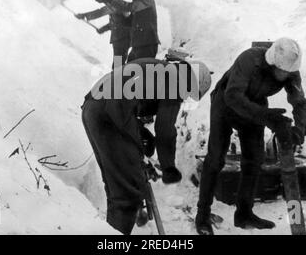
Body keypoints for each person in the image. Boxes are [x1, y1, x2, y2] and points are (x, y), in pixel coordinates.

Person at [195, 38, 306, 235]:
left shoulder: (291, 72)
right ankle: (202, 215)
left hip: (255, 105)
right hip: (225, 104)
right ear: (272, 62)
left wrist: (300, 130)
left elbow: (300, 102)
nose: (284, 76)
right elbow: (233, 96)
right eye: (281, 72)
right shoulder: (249, 59)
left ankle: (244, 213)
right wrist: (266, 116)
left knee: (254, 160)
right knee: (215, 159)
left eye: (288, 73)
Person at [81, 57, 212, 234]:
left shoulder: (158, 69)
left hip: (95, 110)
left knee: (117, 186)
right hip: (110, 116)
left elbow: (130, 105)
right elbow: (165, 130)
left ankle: (114, 229)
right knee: (127, 196)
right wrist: (168, 167)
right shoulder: (177, 80)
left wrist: (141, 148)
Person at [93, 0, 160, 62]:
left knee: (133, 71)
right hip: (139, 43)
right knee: (128, 70)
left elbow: (129, 7)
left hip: (147, 44)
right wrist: (105, 28)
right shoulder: (139, 0)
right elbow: (128, 21)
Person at [76, 0, 131, 68]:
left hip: (122, 39)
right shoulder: (116, 2)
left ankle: (119, 80)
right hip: (121, 38)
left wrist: (84, 15)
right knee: (119, 64)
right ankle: (120, 78)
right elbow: (116, 22)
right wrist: (103, 29)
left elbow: (101, 12)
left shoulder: (116, 3)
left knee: (118, 65)